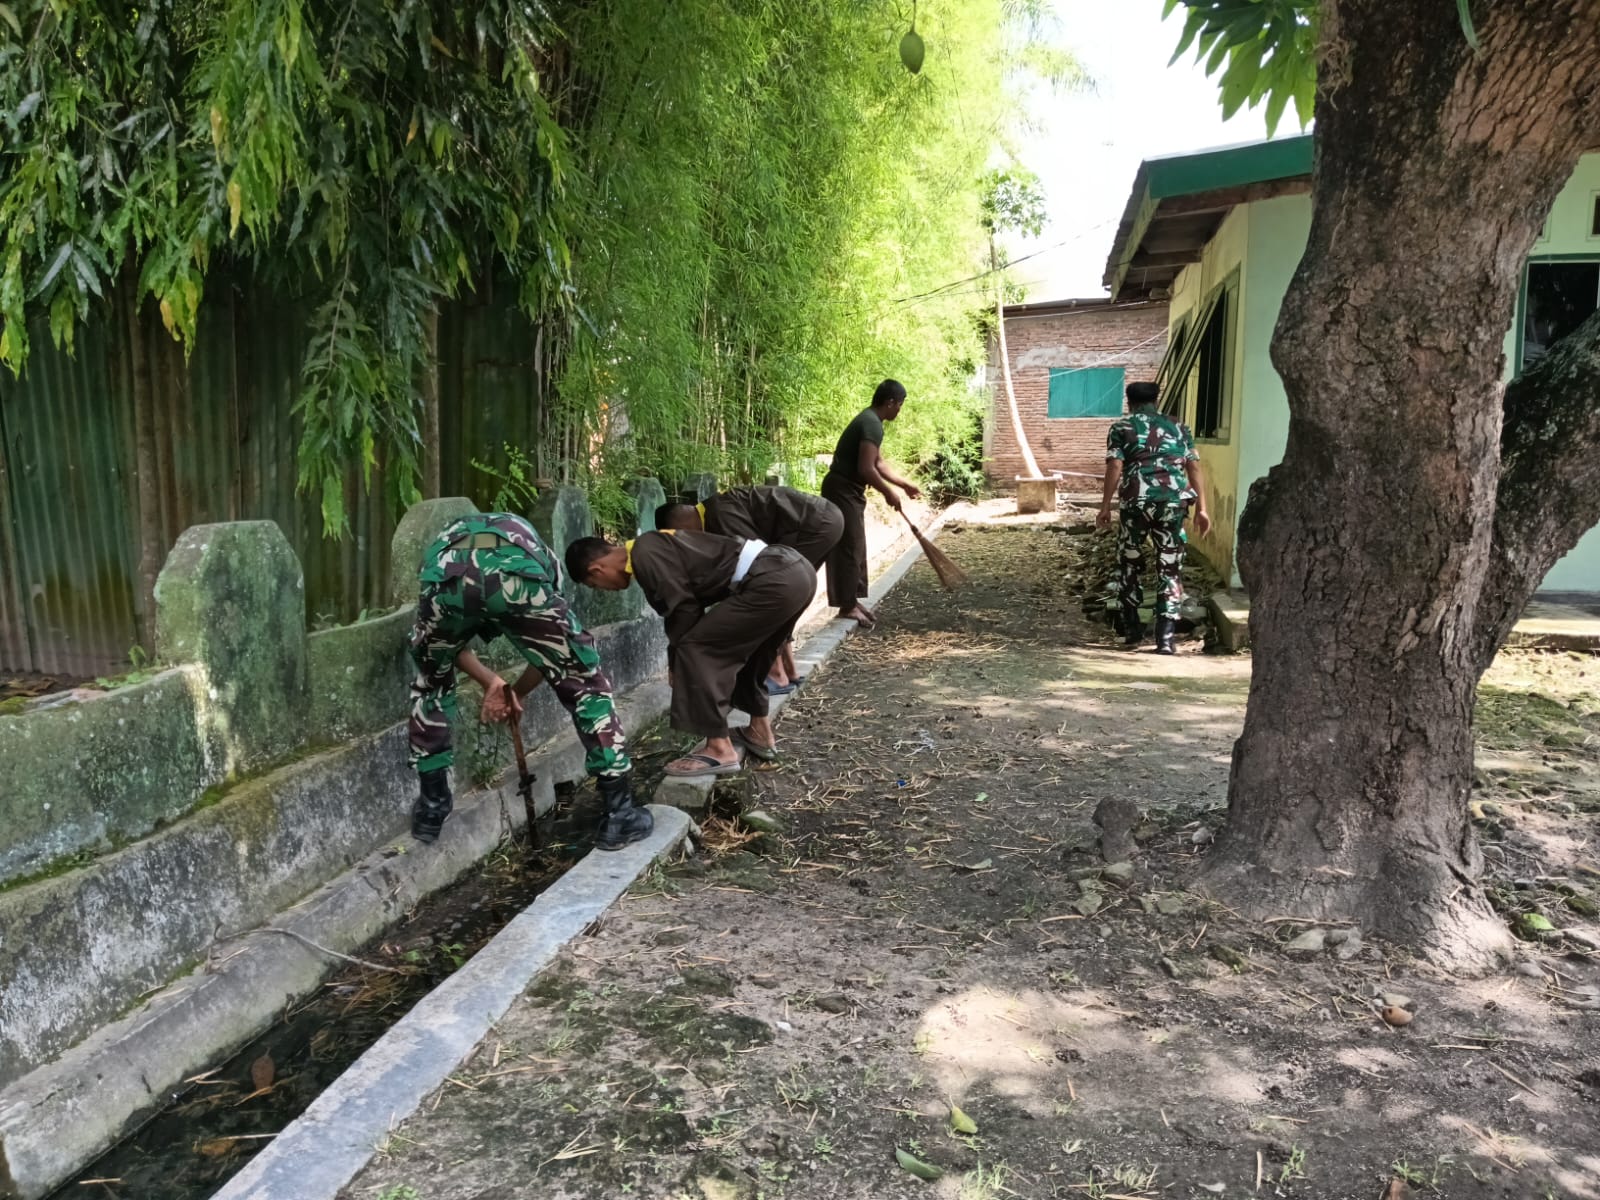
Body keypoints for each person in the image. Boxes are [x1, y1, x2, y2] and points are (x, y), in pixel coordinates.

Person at [407, 512, 653, 849]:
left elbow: (449, 649)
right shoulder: (544, 561)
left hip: (444, 580)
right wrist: (513, 689)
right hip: (516, 576)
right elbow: (550, 656)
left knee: (430, 684)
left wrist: (497, 684)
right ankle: (620, 814)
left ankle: (432, 807)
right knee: (583, 683)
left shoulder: (448, 541)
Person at [566, 529, 814, 775]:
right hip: (795, 571)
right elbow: (681, 604)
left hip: (773, 580)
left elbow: (682, 610)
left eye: (595, 585)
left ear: (596, 570)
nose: (604, 589)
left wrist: (679, 661)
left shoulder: (645, 553)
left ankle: (719, 749)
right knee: (753, 652)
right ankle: (759, 733)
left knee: (696, 650)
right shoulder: (651, 546)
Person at [655, 486, 843, 692]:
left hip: (816, 526)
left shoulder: (720, 518)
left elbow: (759, 567)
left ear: (678, 528)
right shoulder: (714, 509)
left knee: (773, 592)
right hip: (824, 520)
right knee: (782, 595)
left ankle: (775, 672)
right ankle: (789, 670)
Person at [1096, 381, 1211, 655]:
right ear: (1156, 401)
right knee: (1169, 566)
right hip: (1172, 502)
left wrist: (1105, 506)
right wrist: (1202, 509)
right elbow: (1193, 466)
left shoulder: (1121, 427)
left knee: (1129, 562)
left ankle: (1132, 631)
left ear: (1129, 402)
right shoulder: (1179, 427)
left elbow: (1115, 465)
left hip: (1136, 502)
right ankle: (1166, 639)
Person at [820, 379, 922, 626]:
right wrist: (888, 493)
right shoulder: (871, 423)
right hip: (842, 489)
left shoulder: (872, 421)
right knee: (849, 545)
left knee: (857, 545)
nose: (899, 410)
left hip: (849, 490)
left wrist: (903, 485)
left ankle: (852, 600)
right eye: (900, 405)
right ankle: (846, 606)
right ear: (890, 402)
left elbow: (878, 463)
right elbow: (865, 468)